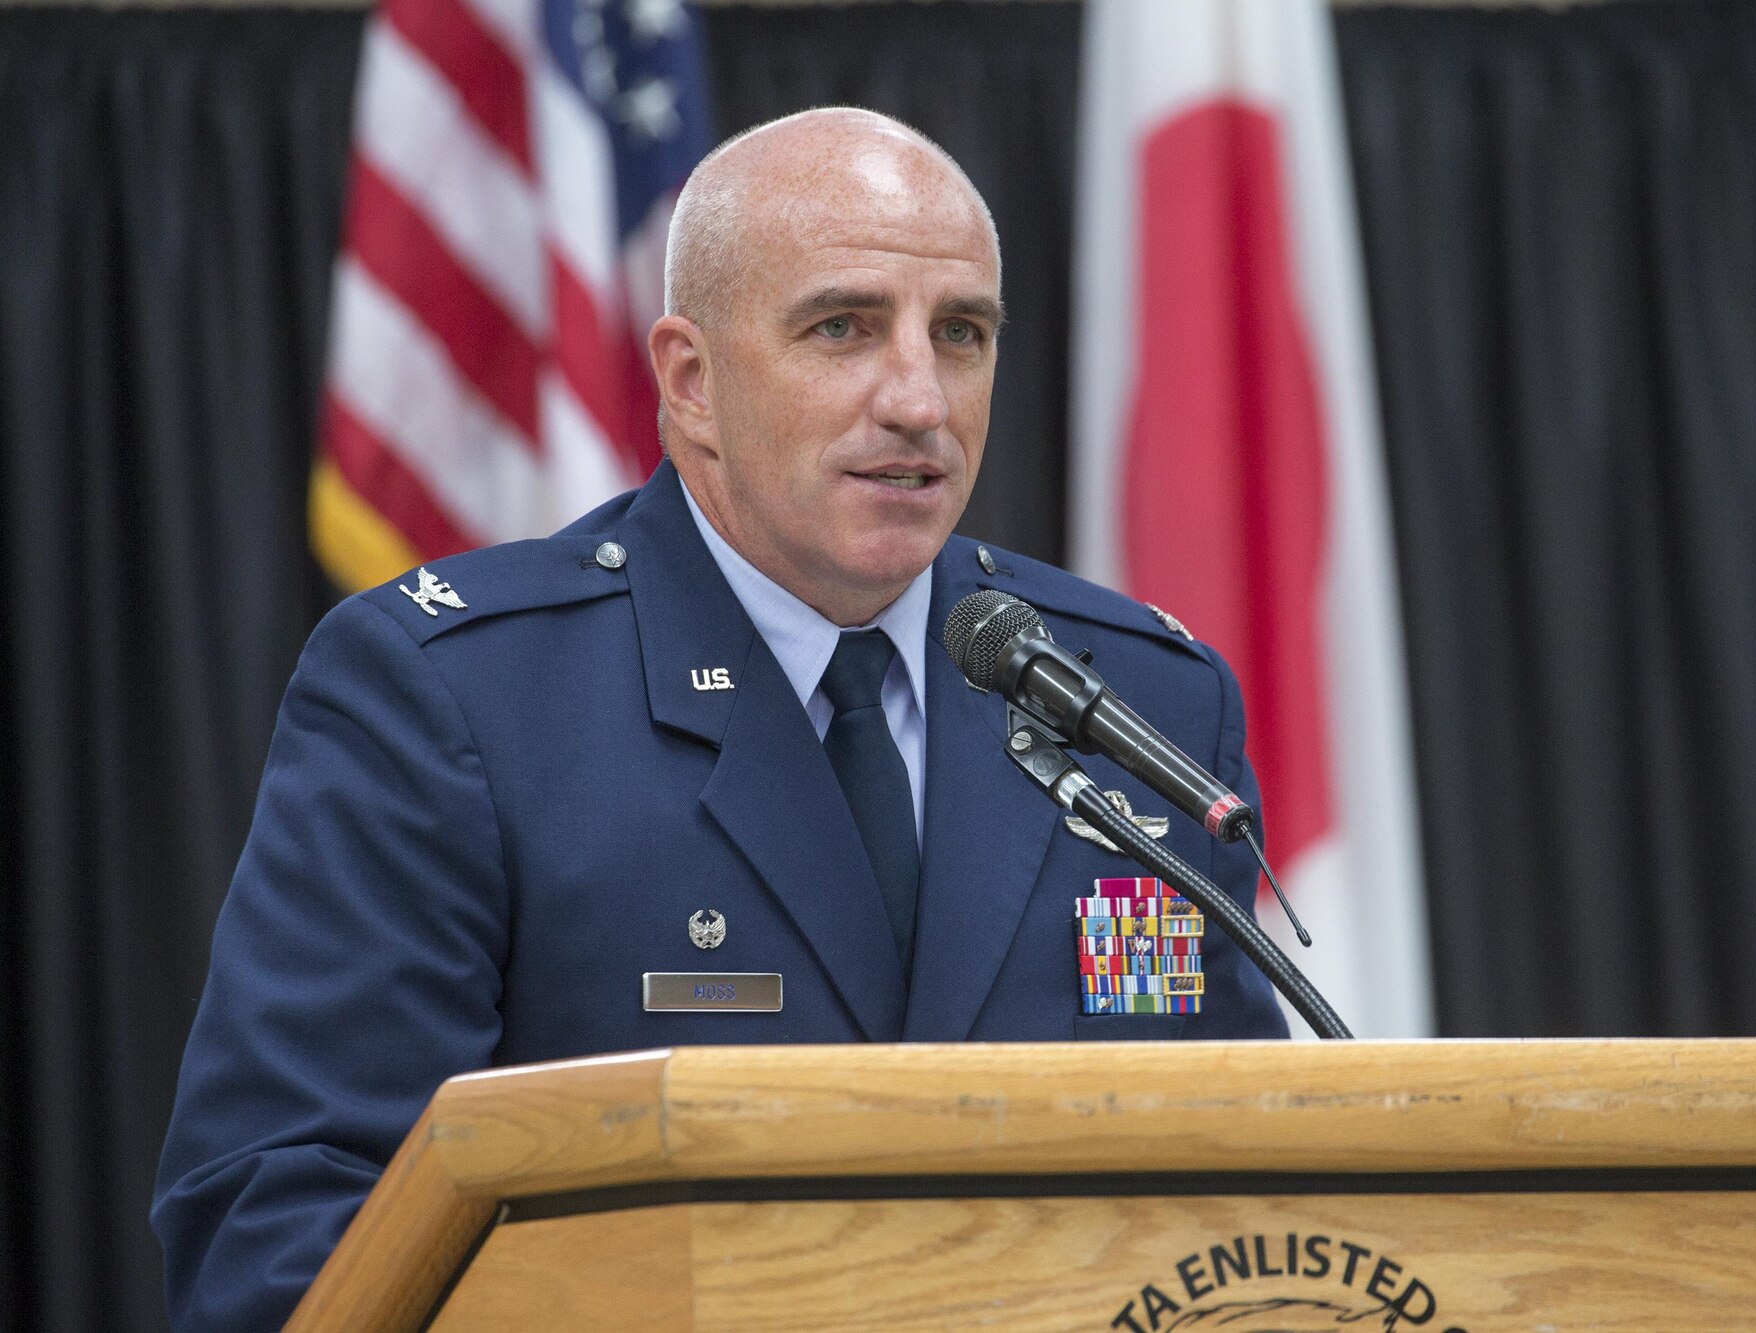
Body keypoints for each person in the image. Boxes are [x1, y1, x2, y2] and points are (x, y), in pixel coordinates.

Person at [152, 108, 1285, 1331]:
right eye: (842, 328)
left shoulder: (1137, 696)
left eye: (959, 333)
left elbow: (1249, 1181)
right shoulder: (458, 697)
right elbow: (282, 1225)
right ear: (690, 381)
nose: (917, 397)